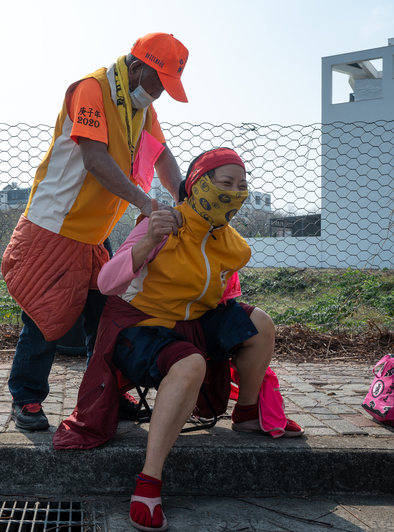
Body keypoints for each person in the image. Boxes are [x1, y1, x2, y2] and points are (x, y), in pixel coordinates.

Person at [53, 148, 304, 532]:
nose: (235, 192)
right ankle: (148, 482)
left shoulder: (230, 242)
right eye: (225, 183)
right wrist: (146, 241)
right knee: (191, 362)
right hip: (138, 328)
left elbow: (222, 297)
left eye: (242, 186)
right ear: (196, 185)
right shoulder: (161, 224)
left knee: (260, 323)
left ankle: (248, 415)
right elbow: (106, 283)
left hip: (191, 326)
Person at [2, 33, 190, 431]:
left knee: (104, 318)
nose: (157, 96)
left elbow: (162, 155)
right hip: (54, 226)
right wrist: (144, 202)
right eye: (157, 85)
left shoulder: (141, 107)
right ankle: (27, 398)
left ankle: (104, 391)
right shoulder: (92, 89)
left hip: (92, 235)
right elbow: (94, 158)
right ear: (137, 67)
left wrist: (187, 199)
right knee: (44, 315)